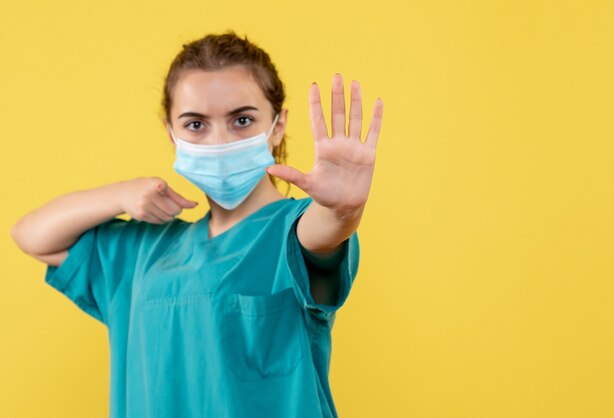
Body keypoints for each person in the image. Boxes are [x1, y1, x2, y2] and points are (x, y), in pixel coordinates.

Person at [11, 31, 383, 418]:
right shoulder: (144, 252)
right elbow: (32, 235)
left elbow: (324, 234)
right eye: (195, 125)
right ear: (171, 135)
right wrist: (121, 195)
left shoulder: (292, 229)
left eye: (241, 120)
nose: (219, 140)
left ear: (277, 125)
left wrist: (342, 210)